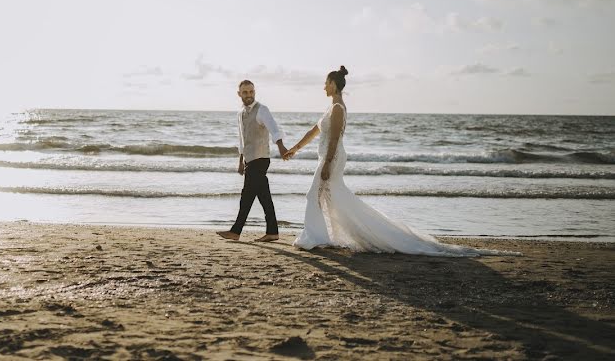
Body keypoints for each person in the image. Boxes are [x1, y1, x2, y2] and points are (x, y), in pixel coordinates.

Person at [287, 66, 515, 256]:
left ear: (334, 84)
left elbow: (335, 138)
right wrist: (295, 149)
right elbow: (315, 131)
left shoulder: (337, 108)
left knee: (315, 194)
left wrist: (327, 163)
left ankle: (314, 237)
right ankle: (320, 236)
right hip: (328, 156)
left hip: (332, 158)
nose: (323, 87)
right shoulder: (331, 108)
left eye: (326, 83)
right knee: (327, 196)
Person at [217, 79, 290, 242]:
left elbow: (274, 129)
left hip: (261, 159)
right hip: (250, 160)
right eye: (245, 92)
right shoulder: (240, 114)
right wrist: (241, 160)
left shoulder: (262, 110)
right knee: (264, 197)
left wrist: (281, 147)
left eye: (251, 91)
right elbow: (242, 140)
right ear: (239, 94)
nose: (249, 95)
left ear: (254, 92)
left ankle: (236, 231)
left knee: (247, 196)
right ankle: (272, 231)